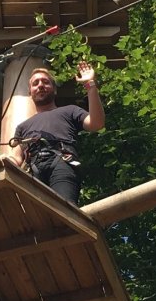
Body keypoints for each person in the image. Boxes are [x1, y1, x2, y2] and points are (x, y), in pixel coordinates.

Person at [9, 62, 105, 204]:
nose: (40, 85)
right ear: (30, 92)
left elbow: (96, 123)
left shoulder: (69, 111)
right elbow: (16, 158)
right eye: (35, 83)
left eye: (45, 82)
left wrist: (90, 85)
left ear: (54, 89)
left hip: (62, 161)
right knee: (36, 217)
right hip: (33, 169)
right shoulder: (23, 127)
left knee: (65, 210)